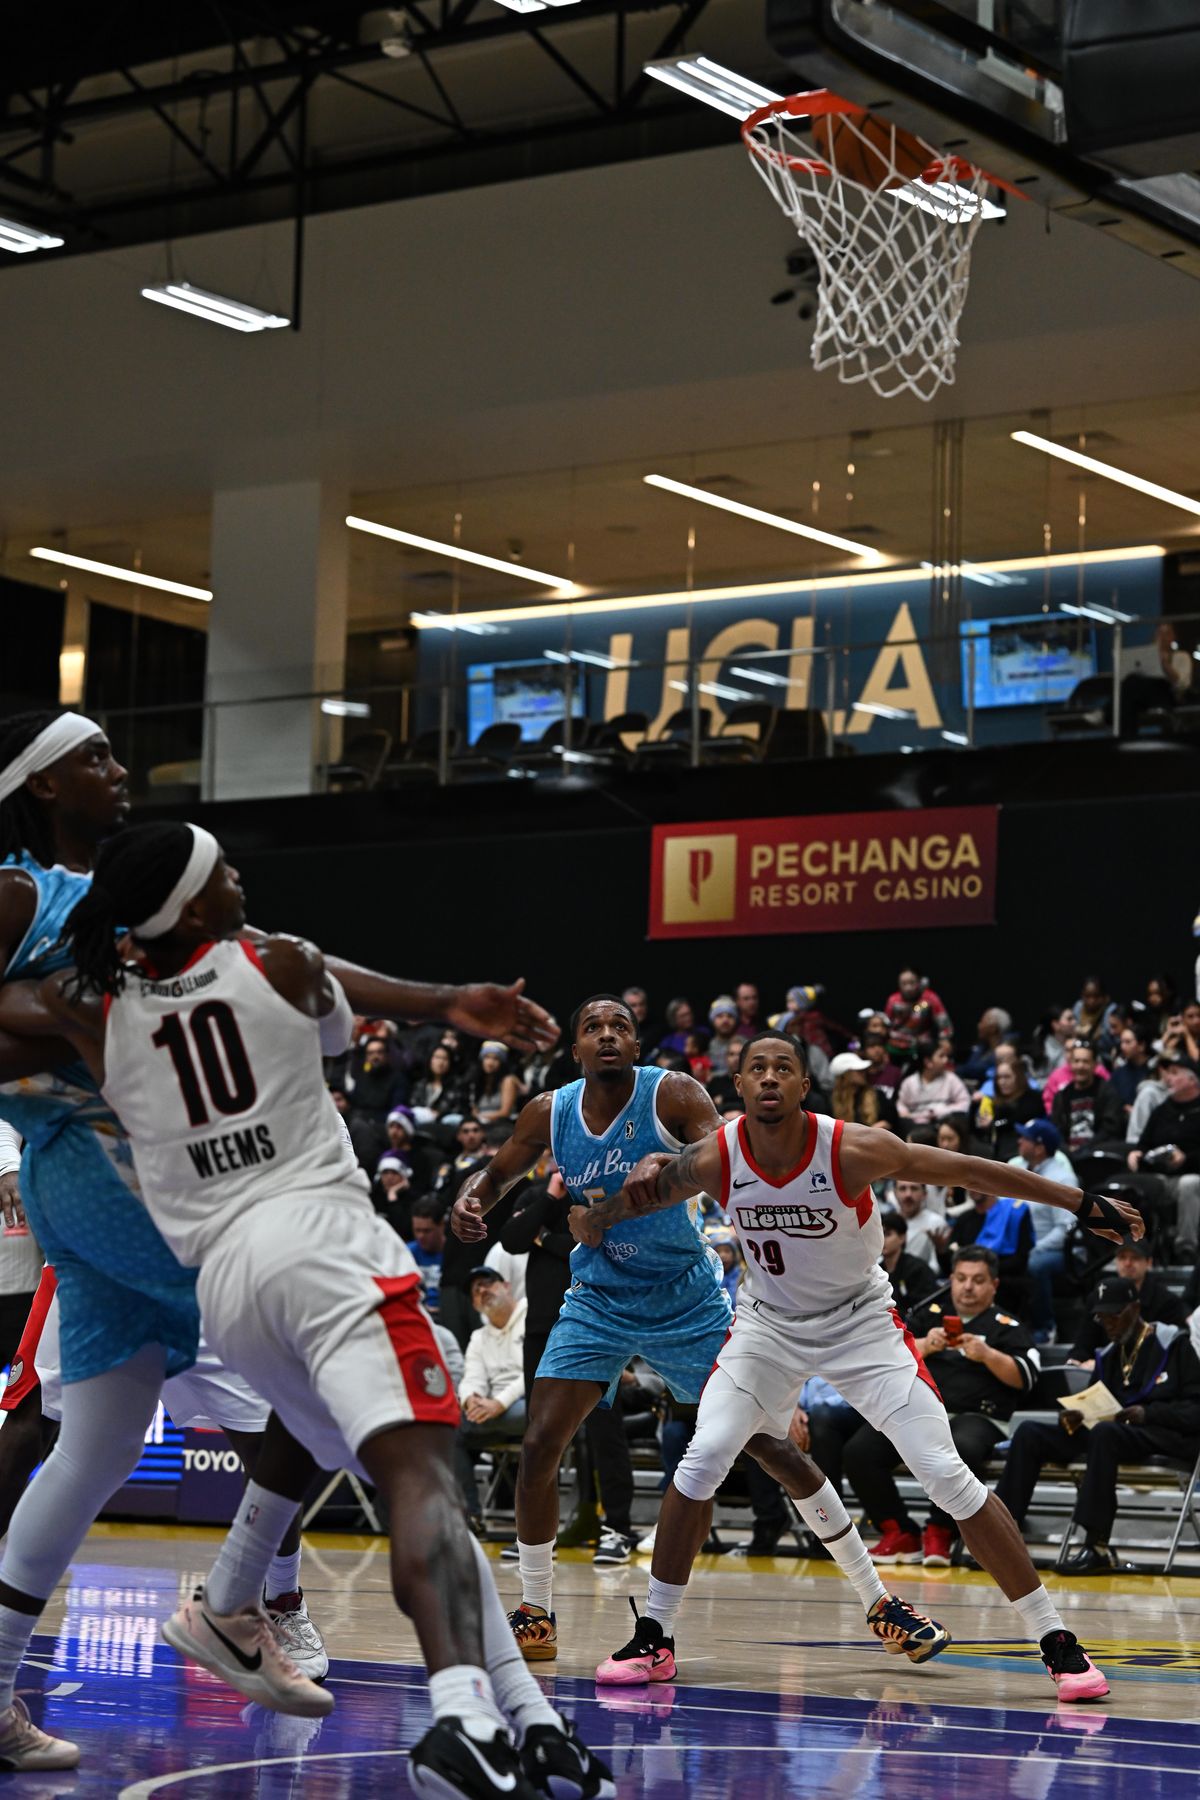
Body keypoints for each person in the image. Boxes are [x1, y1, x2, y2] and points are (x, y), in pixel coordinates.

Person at [32, 820, 611, 1800]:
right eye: (224, 871)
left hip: (228, 1286)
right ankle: (466, 1715)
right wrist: (448, 1004)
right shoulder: (278, 963)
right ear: (196, 907)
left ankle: (528, 1718)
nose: (240, 875)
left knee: (382, 1461)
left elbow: (34, 1001)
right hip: (322, 1247)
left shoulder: (99, 1012)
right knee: (427, 1471)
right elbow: (346, 1000)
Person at [584, 1030, 1138, 1701]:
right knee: (702, 1457)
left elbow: (968, 1171)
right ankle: (657, 1637)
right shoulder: (716, 1157)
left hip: (862, 1328)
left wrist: (1082, 1204)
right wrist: (602, 1215)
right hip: (768, 1330)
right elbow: (648, 1192)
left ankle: (1056, 1641)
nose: (768, 1079)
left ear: (801, 1085)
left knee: (946, 1476)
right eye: (755, 1068)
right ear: (738, 1085)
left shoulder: (850, 1147)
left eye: (782, 1068)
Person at [452, 997, 910, 1666]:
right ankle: (535, 1610)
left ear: (636, 1043)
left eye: (620, 1027)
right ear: (576, 1049)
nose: (608, 1035)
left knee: (773, 1449)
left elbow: (733, 1146)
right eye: (594, 1028)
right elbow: (495, 1174)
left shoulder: (672, 1092)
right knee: (540, 1440)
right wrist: (471, 1199)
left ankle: (878, 1600)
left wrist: (672, 1169)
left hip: (686, 1299)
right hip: (600, 1295)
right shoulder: (548, 1111)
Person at [844, 1247, 1039, 1568]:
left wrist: (988, 1355)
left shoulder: (1008, 1325)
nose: (968, 1287)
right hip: (920, 1410)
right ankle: (899, 1531)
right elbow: (886, 1357)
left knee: (960, 1445)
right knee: (860, 1450)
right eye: (961, 1279)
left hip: (979, 1416)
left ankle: (941, 1531)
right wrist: (923, 1346)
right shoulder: (928, 1314)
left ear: (994, 1285)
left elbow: (1027, 1378)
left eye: (978, 1280)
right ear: (951, 1280)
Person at [996, 1277, 1200, 1574]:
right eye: (1102, 1317)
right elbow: (1096, 1405)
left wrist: (1149, 1414)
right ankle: (1002, 1535)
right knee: (1029, 1432)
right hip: (1114, 1438)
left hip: (1165, 1436)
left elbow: (1196, 1409)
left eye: (1115, 1315)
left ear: (1135, 1308)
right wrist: (1075, 1418)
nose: (1109, 1323)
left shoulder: (1174, 1344)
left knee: (1105, 1434)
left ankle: (1097, 1546)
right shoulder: (1107, 1356)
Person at [455, 1269, 528, 1530]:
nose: (482, 1291)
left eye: (487, 1284)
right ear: (474, 1304)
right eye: (475, 1291)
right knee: (451, 1427)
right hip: (493, 1413)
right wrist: (470, 1400)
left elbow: (537, 1370)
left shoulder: (532, 1315)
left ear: (506, 1286)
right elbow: (471, 1377)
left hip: (530, 1404)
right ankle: (470, 1516)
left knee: (532, 1411)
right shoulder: (479, 1337)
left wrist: (500, 1403)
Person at [1067, 1236, 1191, 1364]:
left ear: (1148, 1263)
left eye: (1135, 1258)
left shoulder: (1167, 1302)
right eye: (1122, 1258)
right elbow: (1083, 1343)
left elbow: (1172, 1350)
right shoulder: (1098, 1297)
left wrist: (1101, 1364)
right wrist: (1075, 1362)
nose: (1127, 1263)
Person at [1010, 1119, 1078, 1345]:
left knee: (1036, 1263)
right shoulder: (1017, 1170)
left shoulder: (1062, 1179)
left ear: (1039, 1147)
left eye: (1025, 1138)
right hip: (1025, 1246)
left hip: (1058, 1251)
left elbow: (1065, 1230)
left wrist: (1034, 1249)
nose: (1019, 1140)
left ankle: (1046, 1326)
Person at [1128, 1054, 1200, 1261]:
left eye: (1175, 1073)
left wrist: (1186, 1158)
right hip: (1160, 1177)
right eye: (1167, 1073)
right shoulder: (1162, 1110)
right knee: (1138, 1184)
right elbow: (1144, 1143)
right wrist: (1136, 1152)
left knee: (1190, 1184)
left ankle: (1186, 1249)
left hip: (1191, 1175)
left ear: (1192, 1080)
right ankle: (1139, 1247)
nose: (1168, 1078)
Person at [1050, 1042, 1125, 1160]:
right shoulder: (1062, 1096)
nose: (1080, 1066)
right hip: (1068, 1155)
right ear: (1070, 1064)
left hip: (1098, 1153)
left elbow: (1110, 1129)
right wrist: (1066, 1149)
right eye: (1076, 1061)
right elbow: (1056, 1129)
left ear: (1095, 1064)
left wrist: (1085, 1147)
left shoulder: (1107, 1092)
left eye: (1085, 1061)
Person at [896, 1040, 971, 1126]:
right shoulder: (909, 1083)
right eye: (941, 1056)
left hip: (941, 1125)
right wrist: (904, 1113)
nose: (946, 1060)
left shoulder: (951, 1079)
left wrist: (939, 1112)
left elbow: (965, 1103)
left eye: (946, 1056)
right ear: (928, 1062)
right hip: (915, 1126)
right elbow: (901, 1104)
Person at [883, 967, 953, 1057]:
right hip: (895, 1043)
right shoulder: (893, 1000)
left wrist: (945, 1039)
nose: (908, 988)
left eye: (912, 983)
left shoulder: (930, 998)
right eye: (904, 984)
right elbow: (885, 1025)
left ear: (920, 982)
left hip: (921, 1043)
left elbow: (944, 1023)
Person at [879, 1211, 938, 1316]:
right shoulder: (876, 1271)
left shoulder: (918, 1269)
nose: (881, 1239)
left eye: (887, 1234)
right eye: (878, 1234)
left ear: (902, 1238)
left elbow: (930, 1307)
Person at [829, 1052, 896, 1131]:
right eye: (859, 1071)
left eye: (864, 1070)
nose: (864, 1074)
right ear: (846, 1075)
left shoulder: (877, 1095)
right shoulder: (832, 1100)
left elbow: (892, 1122)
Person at [889, 1179, 947, 1270]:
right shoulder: (886, 1222)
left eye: (914, 1189)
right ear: (895, 1193)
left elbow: (936, 1267)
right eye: (902, 1189)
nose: (908, 1194)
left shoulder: (936, 1222)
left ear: (924, 1194)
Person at [467, 1043, 525, 1125]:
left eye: (495, 1059)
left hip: (502, 1125)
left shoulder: (508, 1080)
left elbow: (505, 1113)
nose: (490, 1063)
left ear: (502, 1062)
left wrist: (479, 1117)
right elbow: (474, 1110)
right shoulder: (479, 1081)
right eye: (487, 1057)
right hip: (481, 1124)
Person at [408, 1198, 447, 1316]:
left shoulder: (454, 1254)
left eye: (426, 1231)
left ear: (441, 1225)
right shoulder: (407, 1254)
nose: (421, 1236)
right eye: (417, 1230)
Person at [958, 1008, 1016, 1086]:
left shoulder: (1005, 1051)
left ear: (993, 1028)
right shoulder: (982, 1046)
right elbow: (970, 1066)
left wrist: (956, 1070)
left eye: (982, 1022)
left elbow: (976, 1070)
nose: (979, 1025)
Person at [411, 1043, 464, 1119]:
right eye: (437, 1057)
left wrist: (439, 1114)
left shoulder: (456, 1085)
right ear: (430, 1060)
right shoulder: (420, 1084)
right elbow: (413, 1104)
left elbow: (457, 1109)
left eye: (445, 1058)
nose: (441, 1062)